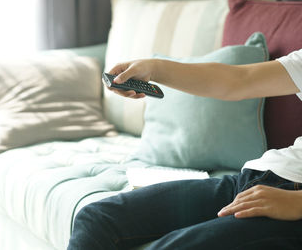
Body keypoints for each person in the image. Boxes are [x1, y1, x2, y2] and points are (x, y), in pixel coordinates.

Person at [67, 49, 302, 250]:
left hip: (293, 201)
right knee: (96, 219)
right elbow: (238, 80)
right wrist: (154, 68)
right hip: (259, 177)